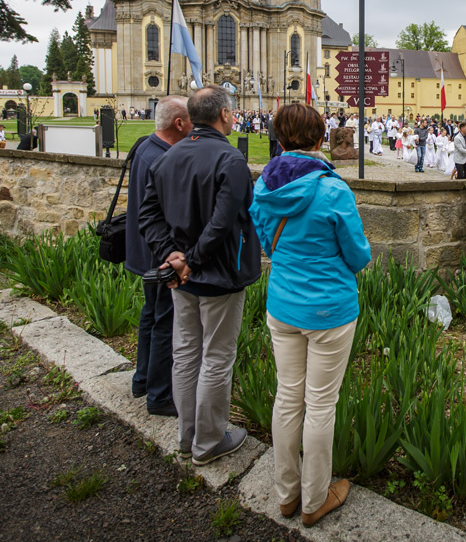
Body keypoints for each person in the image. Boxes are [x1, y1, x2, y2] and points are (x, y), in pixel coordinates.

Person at [250, 104, 372, 528]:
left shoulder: (264, 185)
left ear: (279, 141)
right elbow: (358, 256)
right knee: (320, 404)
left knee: (288, 396)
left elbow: (267, 241)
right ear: (320, 140)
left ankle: (287, 494)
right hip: (329, 308)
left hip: (284, 303)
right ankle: (313, 500)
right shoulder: (332, 189)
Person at [138, 85, 258, 465]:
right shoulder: (230, 159)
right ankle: (208, 441)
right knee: (216, 357)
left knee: (186, 353)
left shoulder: (168, 157)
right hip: (216, 272)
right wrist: (191, 258)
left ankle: (187, 435)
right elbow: (223, 223)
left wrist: (172, 256)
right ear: (224, 115)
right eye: (233, 112)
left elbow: (148, 217)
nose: (235, 116)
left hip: (181, 274)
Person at [126, 96, 191, 417]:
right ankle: (160, 394)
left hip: (145, 252)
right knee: (166, 322)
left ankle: (142, 379)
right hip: (161, 255)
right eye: (191, 119)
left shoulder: (145, 147)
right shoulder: (165, 158)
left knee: (151, 316)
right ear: (179, 123)